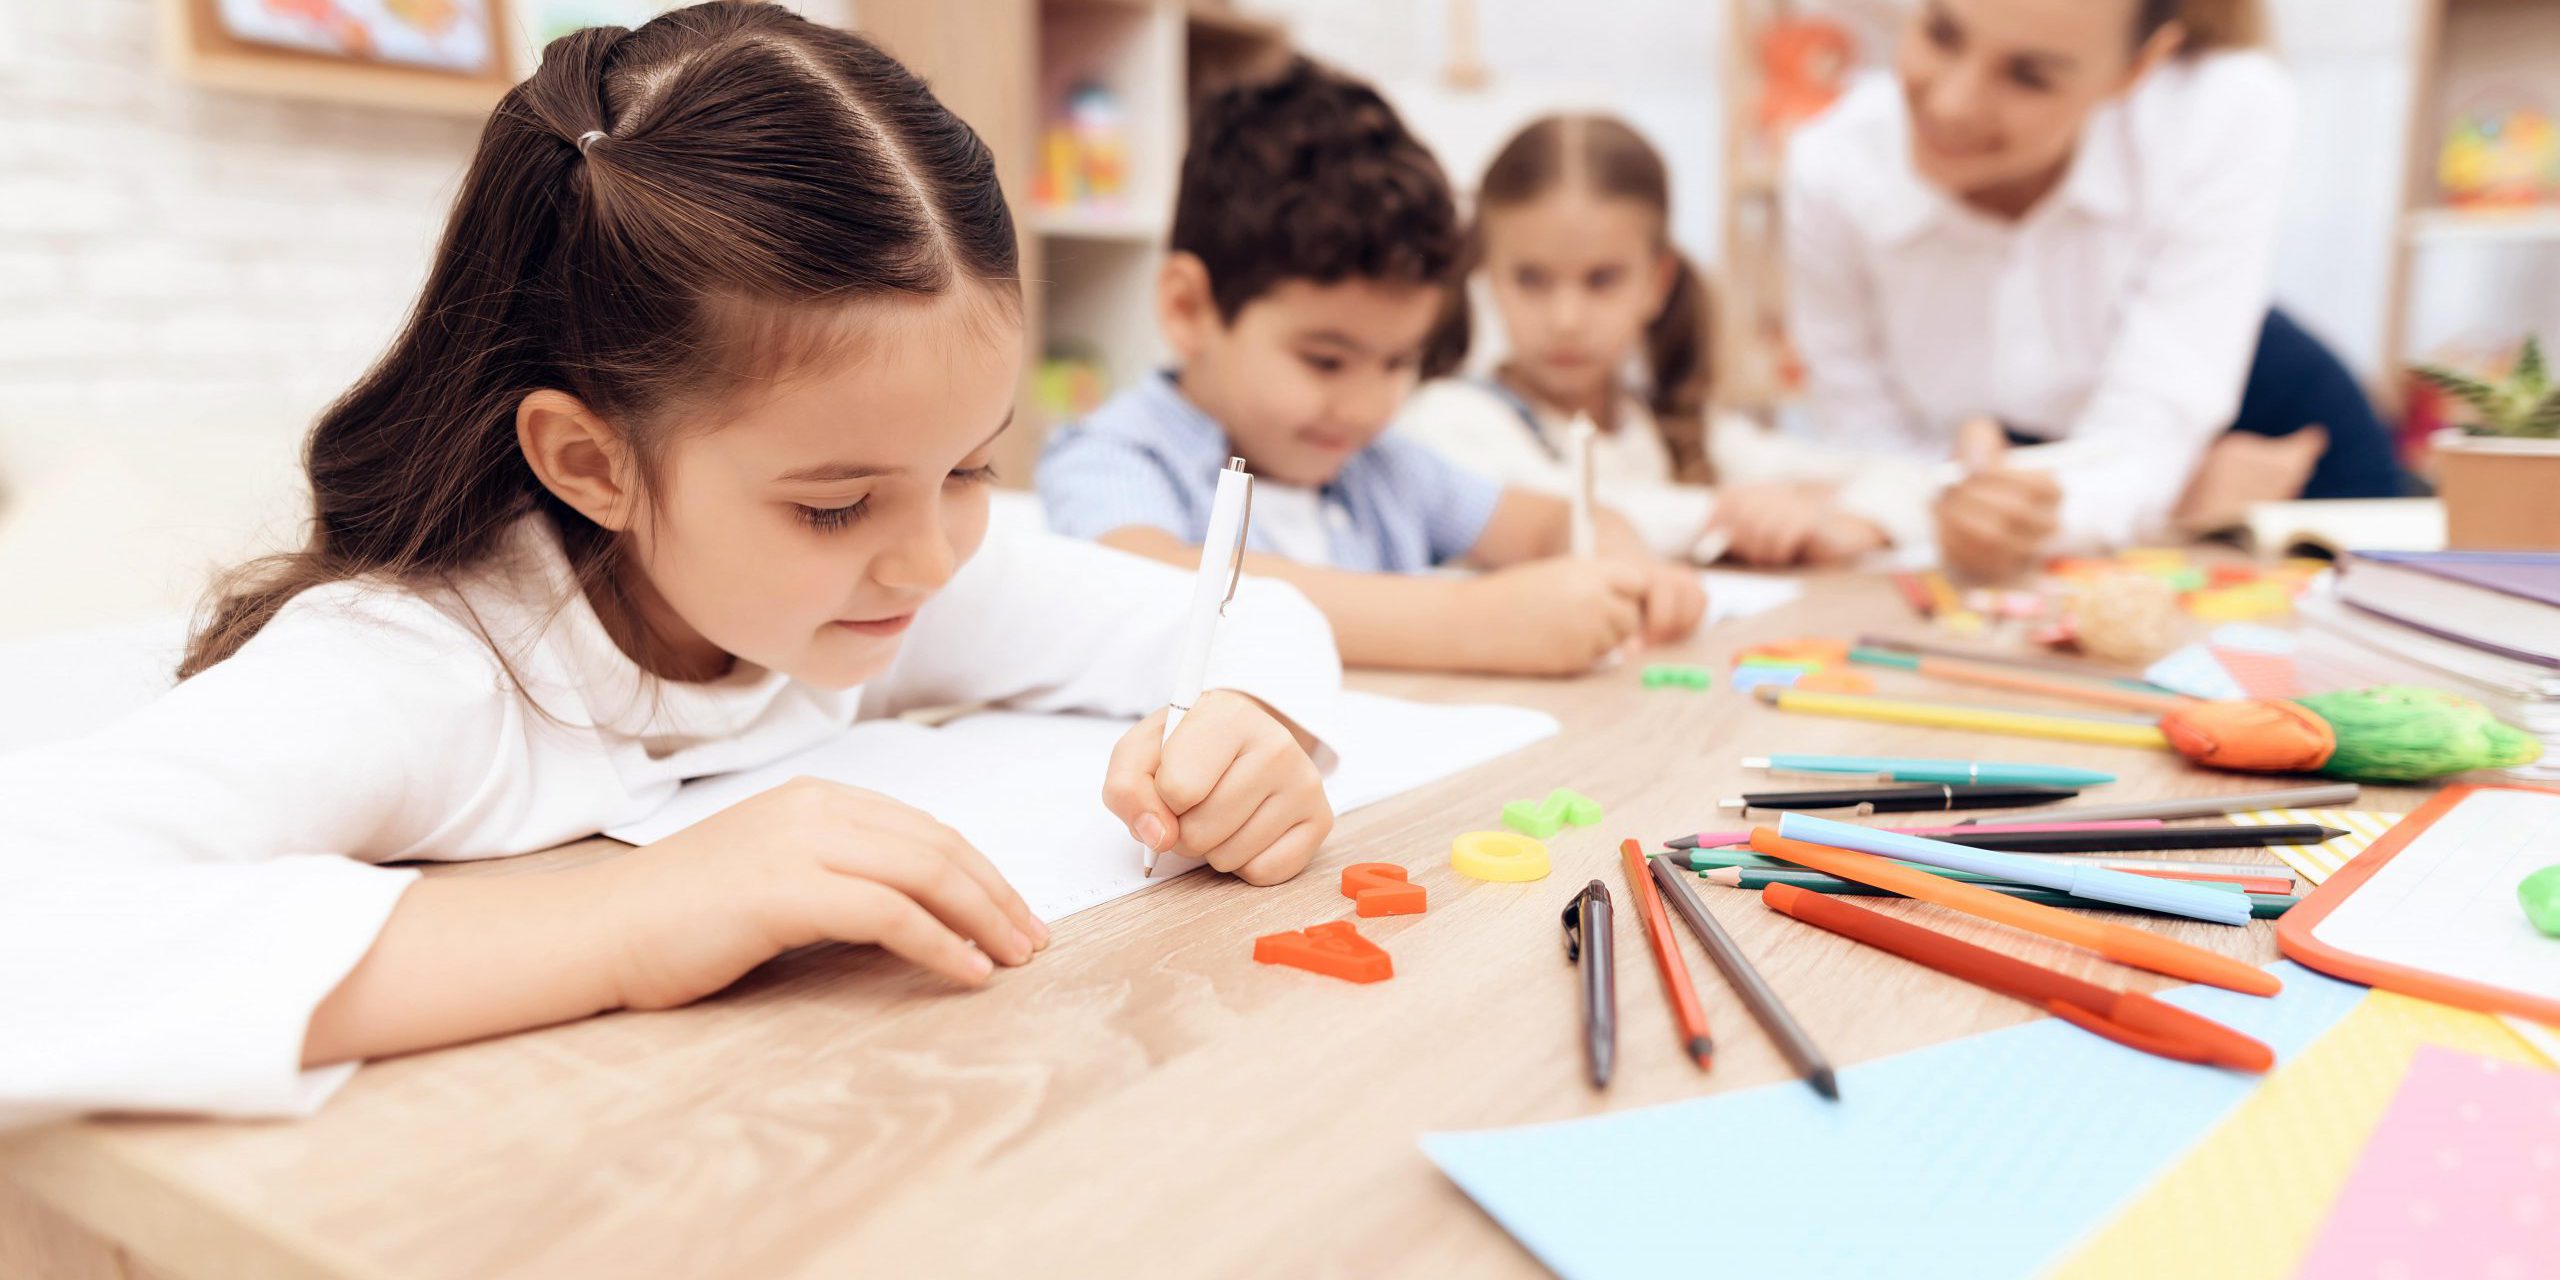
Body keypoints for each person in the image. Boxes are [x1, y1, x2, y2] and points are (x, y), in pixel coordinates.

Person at [0, 3, 1341, 1129]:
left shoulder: (885, 577)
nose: (932, 555)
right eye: (833, 506)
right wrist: (629, 921)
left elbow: (1240, 613)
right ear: (592, 464)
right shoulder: (423, 671)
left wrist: (1247, 721)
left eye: (973, 469)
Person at [1038, 61, 1706, 676]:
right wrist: (1468, 623)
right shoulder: (1117, 456)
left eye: (1398, 362)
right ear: (1189, 308)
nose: (1366, 407)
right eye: (1326, 361)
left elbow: (1549, 523)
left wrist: (1620, 562)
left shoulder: (1383, 468)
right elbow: (1155, 586)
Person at [1787, 0, 2406, 579]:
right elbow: (1865, 440)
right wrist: (1927, 508)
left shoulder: (2220, 106)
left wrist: (2145, 499)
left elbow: (2149, 432)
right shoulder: (1831, 167)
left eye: (2029, 76)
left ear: (2136, 69)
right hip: (2056, 483)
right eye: (1942, 34)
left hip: (2269, 442)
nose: (1952, 103)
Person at [1399, 112, 1936, 568]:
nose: (1566, 320)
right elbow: (1558, 517)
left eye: (1602, 279)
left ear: (1656, 282)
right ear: (1487, 275)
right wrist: (1741, 513)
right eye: (1531, 279)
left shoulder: (1670, 426)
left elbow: (1917, 480)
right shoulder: (1447, 419)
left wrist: (1845, 521)